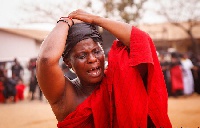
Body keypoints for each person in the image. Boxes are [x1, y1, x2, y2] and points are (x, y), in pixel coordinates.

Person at [36, 9, 172, 127]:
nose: (92, 59)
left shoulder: (118, 79)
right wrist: (65, 21)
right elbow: (47, 59)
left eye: (96, 51)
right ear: (68, 62)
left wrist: (96, 19)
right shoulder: (65, 95)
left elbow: (141, 41)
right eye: (82, 56)